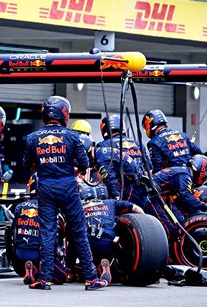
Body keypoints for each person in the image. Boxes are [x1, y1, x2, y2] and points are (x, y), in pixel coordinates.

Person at [23, 95, 108, 291]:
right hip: (68, 187)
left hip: (45, 187)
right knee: (78, 231)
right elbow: (85, 163)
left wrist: (45, 166)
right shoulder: (72, 136)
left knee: (47, 232)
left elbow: (28, 166)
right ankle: (91, 279)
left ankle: (45, 280)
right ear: (64, 113)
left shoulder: (32, 138)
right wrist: (71, 169)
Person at [14, 174, 70, 286]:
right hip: (40, 252)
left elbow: (13, 233)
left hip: (20, 252)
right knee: (62, 277)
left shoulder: (19, 207)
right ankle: (37, 269)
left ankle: (32, 269)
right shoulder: (49, 207)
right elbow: (56, 234)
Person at [147, 154, 207, 239]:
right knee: (171, 229)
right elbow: (187, 197)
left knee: (181, 222)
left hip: (163, 198)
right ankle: (168, 249)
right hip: (151, 197)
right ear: (202, 171)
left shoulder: (184, 173)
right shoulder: (185, 175)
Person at [79, 182, 144, 265]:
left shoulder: (79, 205)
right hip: (107, 242)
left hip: (86, 243)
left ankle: (73, 269)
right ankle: (108, 266)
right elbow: (135, 208)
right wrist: (146, 222)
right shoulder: (111, 202)